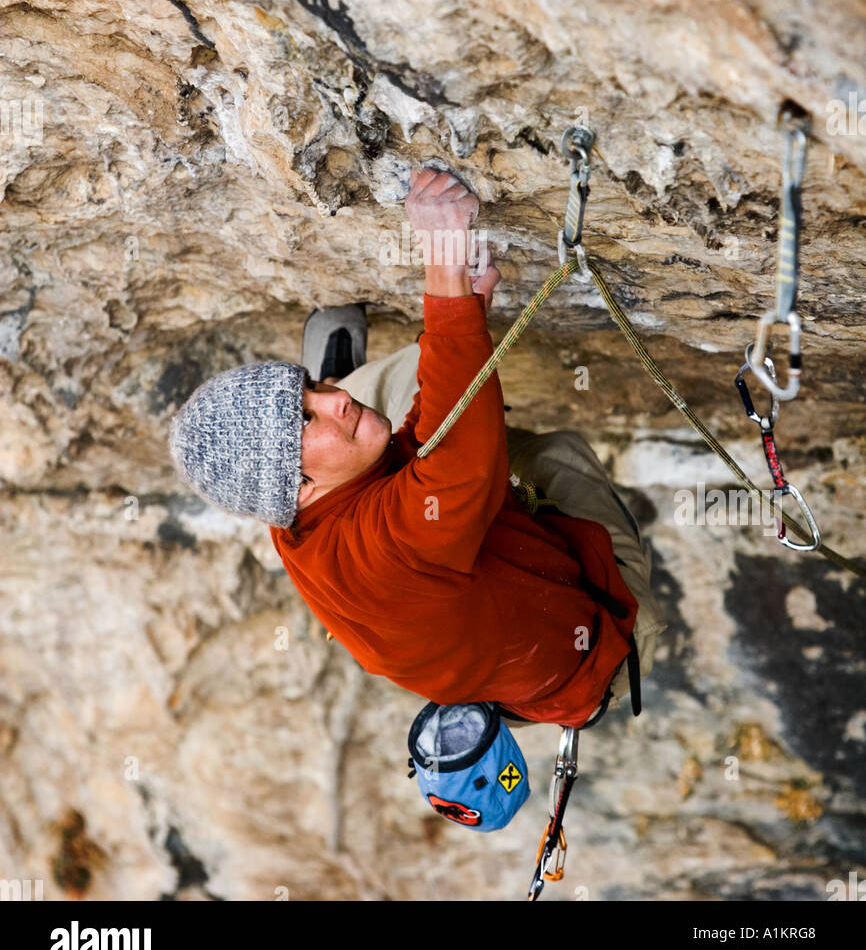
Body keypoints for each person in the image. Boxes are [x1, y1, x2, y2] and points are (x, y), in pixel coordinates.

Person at [169, 166, 666, 728]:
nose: (331, 403)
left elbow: (426, 447)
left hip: (459, 596)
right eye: (306, 417)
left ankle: (361, 382)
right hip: (597, 660)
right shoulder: (386, 547)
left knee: (413, 385)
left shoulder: (286, 511)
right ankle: (382, 377)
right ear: (301, 487)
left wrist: (465, 311)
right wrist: (442, 255)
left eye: (309, 389)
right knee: (554, 453)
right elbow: (460, 463)